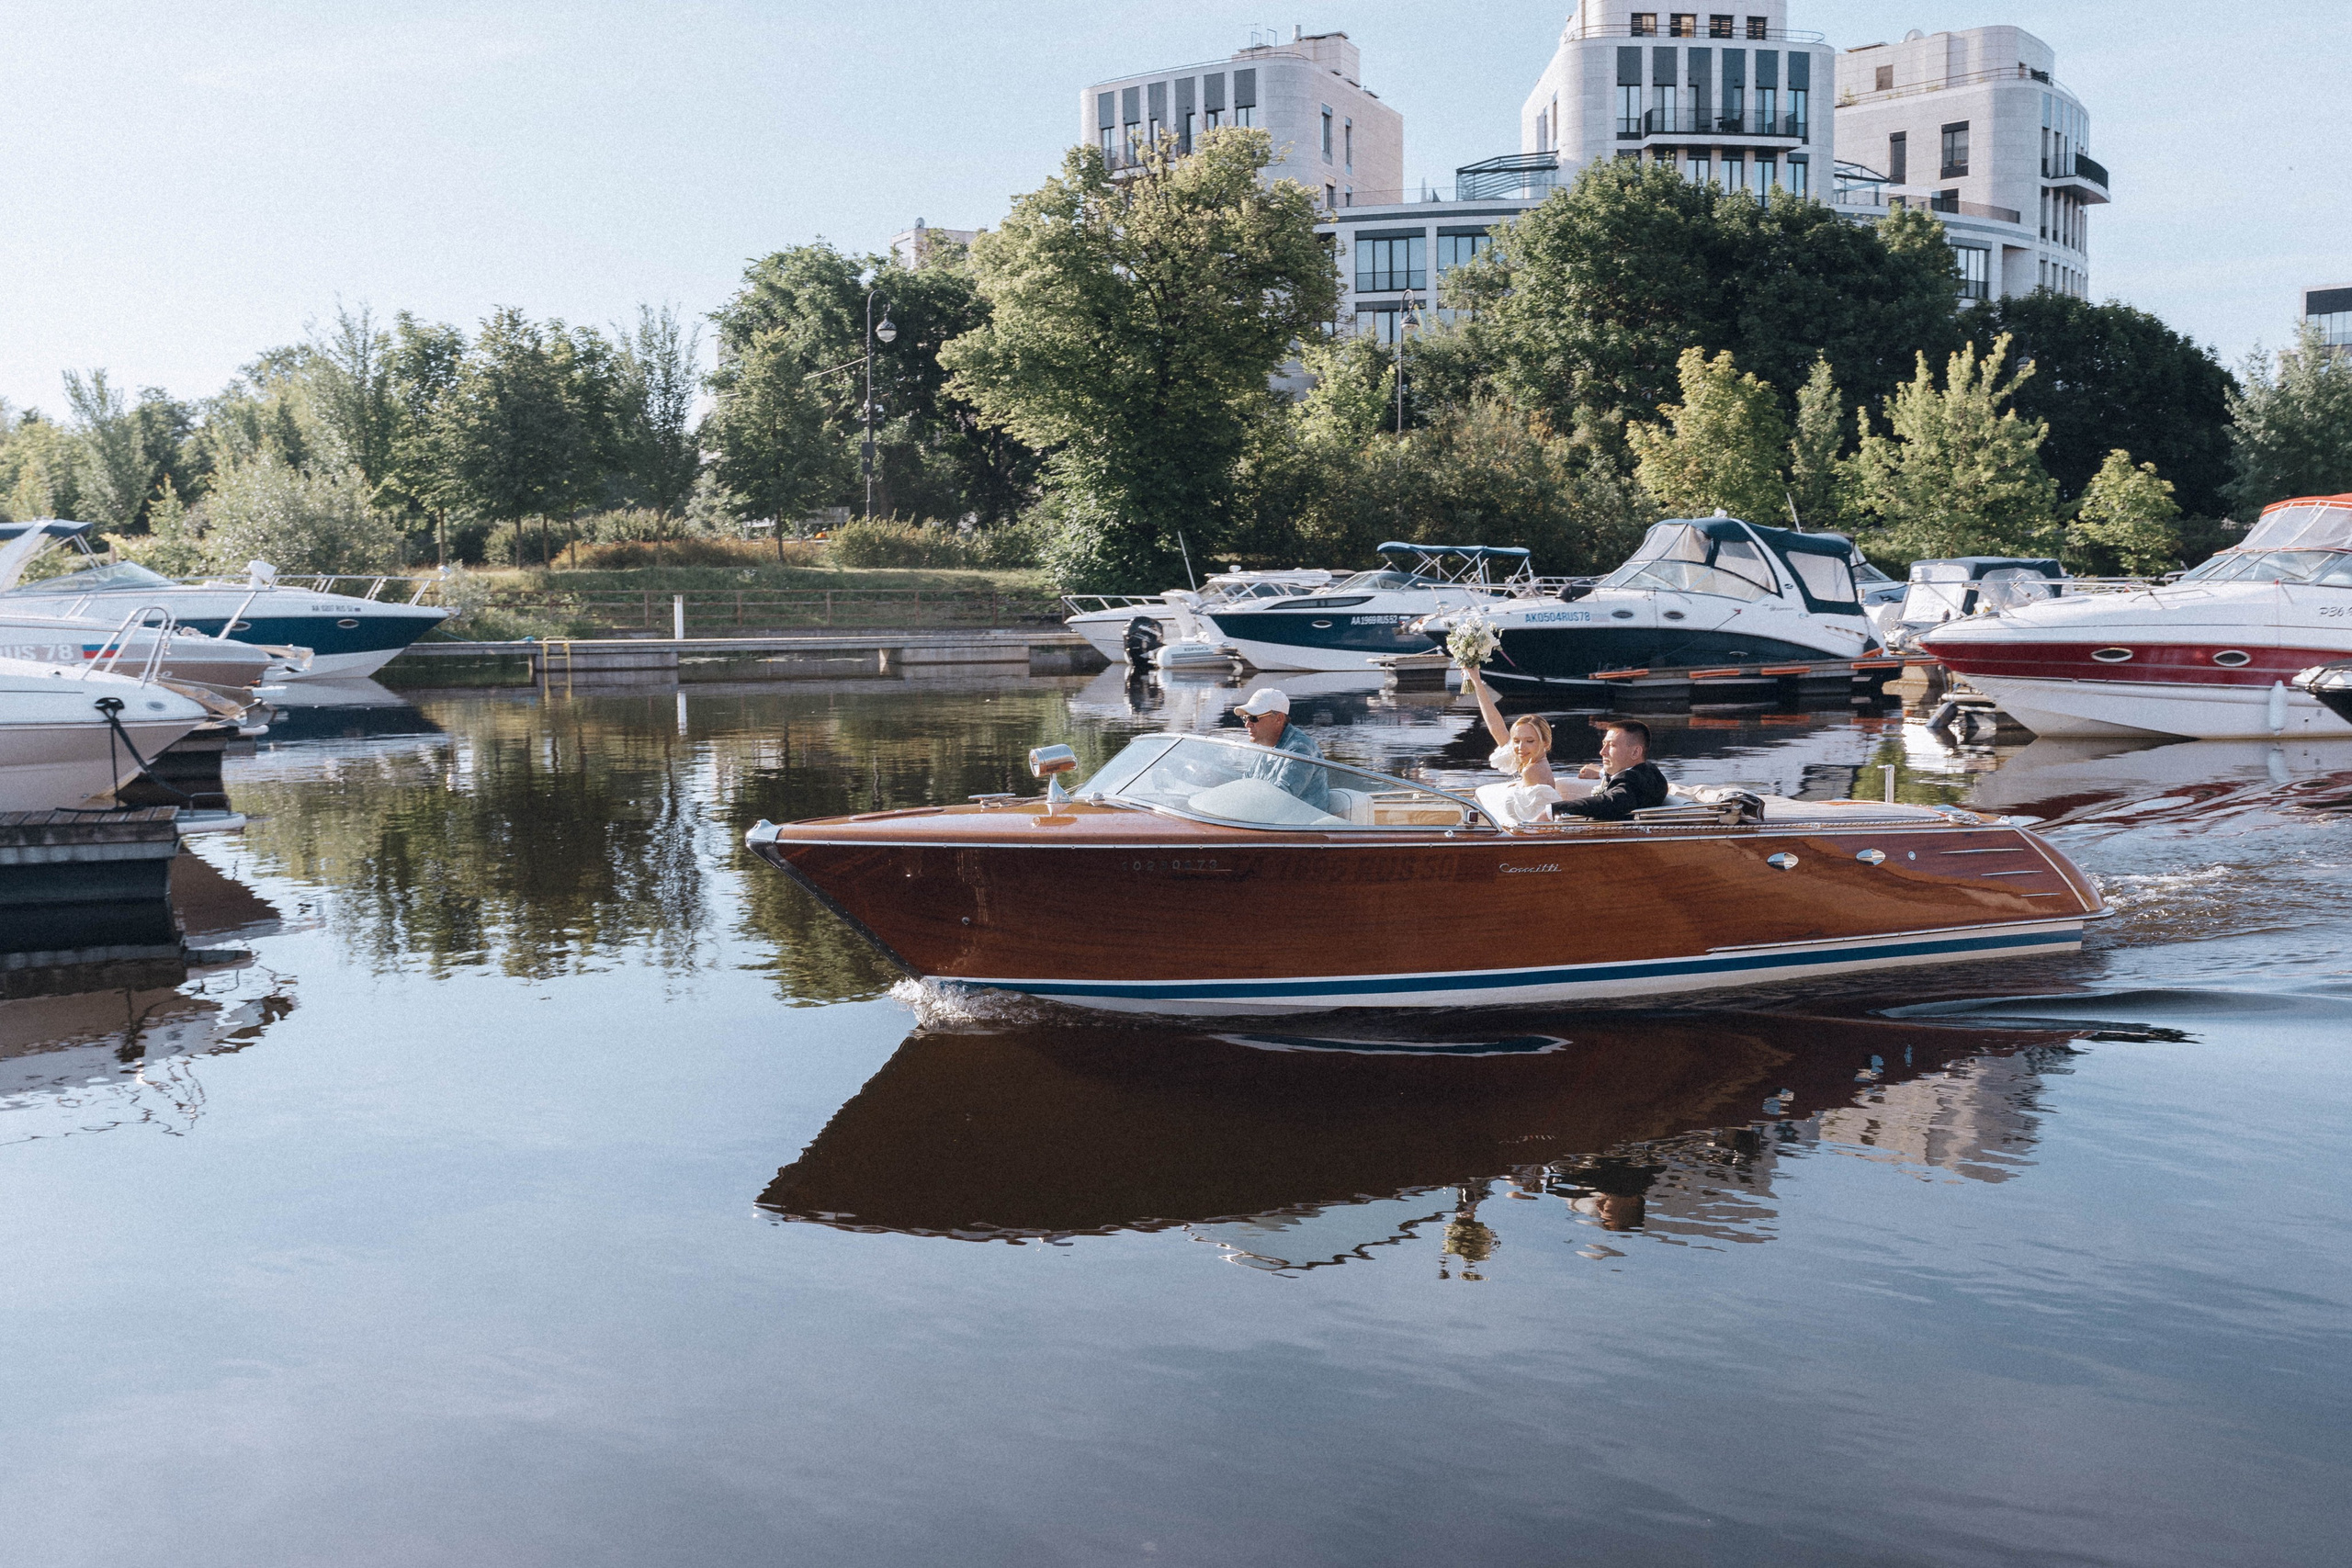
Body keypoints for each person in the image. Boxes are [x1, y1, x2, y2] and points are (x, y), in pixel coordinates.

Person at [1464, 664, 1561, 827]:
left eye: (1530, 741)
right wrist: (1477, 681)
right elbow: (1497, 728)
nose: (1520, 747)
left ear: (1545, 742)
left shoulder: (1533, 770)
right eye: (1516, 741)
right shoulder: (1533, 762)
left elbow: (1531, 822)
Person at [1231, 687, 1329, 811]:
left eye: (1254, 718)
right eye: (1245, 718)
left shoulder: (1301, 749)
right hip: (1273, 820)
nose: (1247, 724)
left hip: (1301, 825)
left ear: (1279, 718)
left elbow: (1281, 797)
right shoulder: (1266, 746)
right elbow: (1246, 784)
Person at [1555, 718, 1669, 821]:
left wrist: (1553, 809)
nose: (1602, 752)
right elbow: (1629, 776)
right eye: (1604, 744)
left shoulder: (1632, 784)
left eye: (1612, 745)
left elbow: (1612, 801)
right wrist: (1601, 773)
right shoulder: (1650, 771)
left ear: (1635, 752)